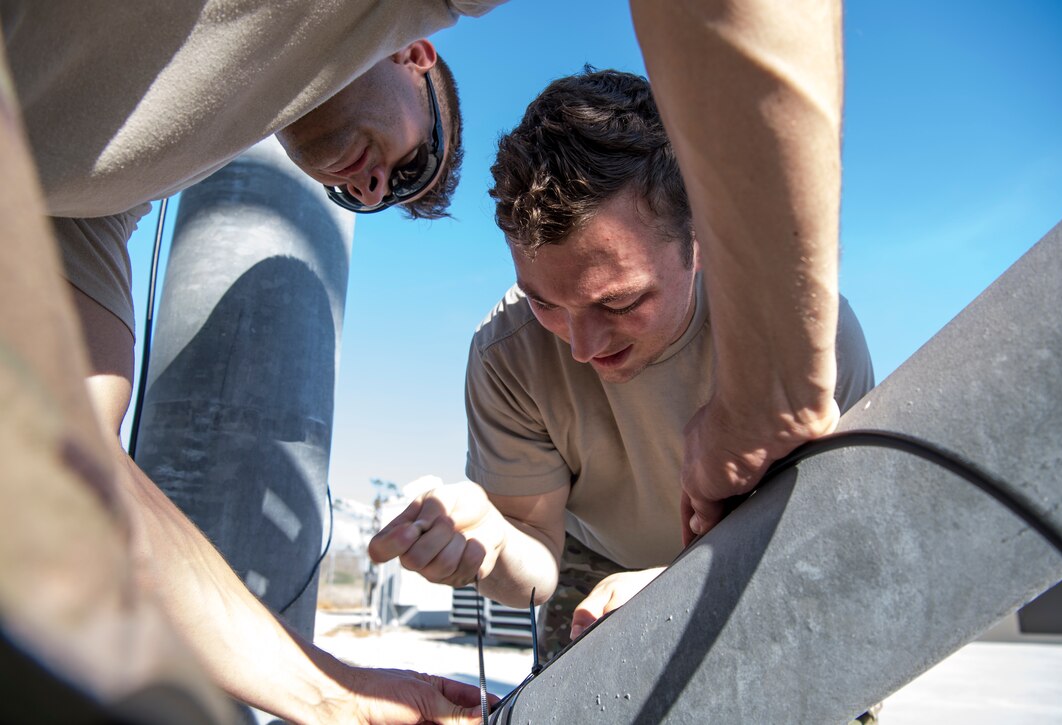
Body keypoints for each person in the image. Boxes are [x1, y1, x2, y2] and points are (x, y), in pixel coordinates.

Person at [0, 1, 506, 721]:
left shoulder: (105, 192)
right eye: (412, 161)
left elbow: (64, 462)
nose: (370, 187)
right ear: (413, 55)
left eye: (384, 195)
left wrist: (331, 696)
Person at [369, 67, 873, 663]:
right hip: (593, 566)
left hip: (766, 540)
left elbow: (842, 532)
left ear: (701, 241)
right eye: (545, 303)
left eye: (621, 302)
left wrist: (682, 585)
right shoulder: (507, 352)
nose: (582, 347)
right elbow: (534, 567)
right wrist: (494, 540)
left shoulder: (798, 330)